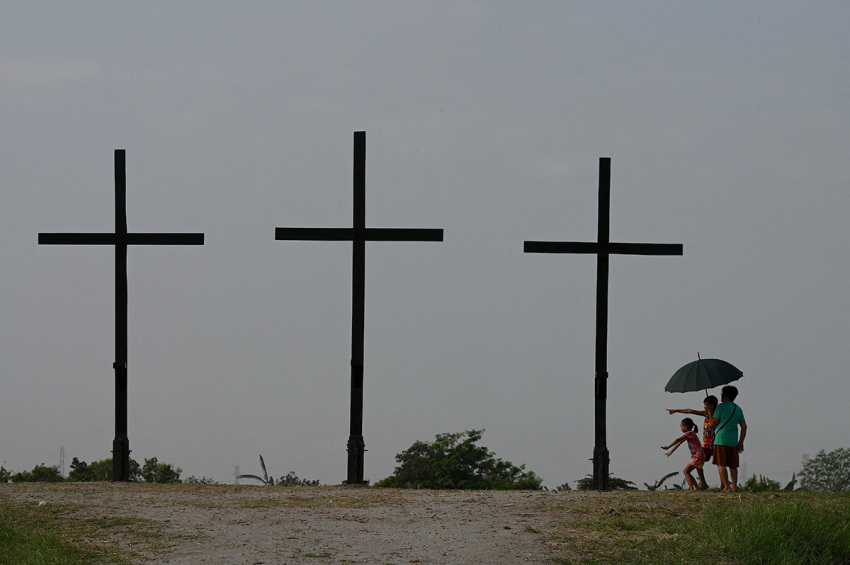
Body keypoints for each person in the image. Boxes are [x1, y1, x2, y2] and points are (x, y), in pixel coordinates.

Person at [667, 395, 719, 473]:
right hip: (706, 443)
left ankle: (722, 484)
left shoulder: (718, 415)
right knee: (698, 461)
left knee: (718, 463)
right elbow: (690, 411)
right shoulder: (706, 414)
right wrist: (676, 410)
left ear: (711, 405)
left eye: (705, 405)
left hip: (715, 443)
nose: (704, 407)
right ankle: (703, 482)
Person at [710, 385, 747, 492]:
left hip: (721, 439)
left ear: (726, 395)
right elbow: (744, 427)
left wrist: (709, 412)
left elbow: (713, 423)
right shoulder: (738, 408)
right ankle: (734, 486)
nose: (721, 396)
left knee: (721, 464)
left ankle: (726, 487)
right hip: (733, 440)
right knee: (733, 465)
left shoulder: (720, 407)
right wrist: (741, 442)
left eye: (722, 394)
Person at [660, 417, 708, 491]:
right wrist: (671, 451)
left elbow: (677, 440)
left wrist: (668, 447)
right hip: (699, 455)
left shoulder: (689, 433)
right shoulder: (690, 434)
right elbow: (679, 443)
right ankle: (697, 488)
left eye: (681, 426)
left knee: (686, 471)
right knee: (688, 471)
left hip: (698, 456)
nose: (681, 428)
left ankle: (692, 489)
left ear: (686, 426)